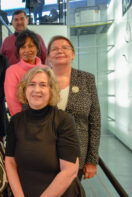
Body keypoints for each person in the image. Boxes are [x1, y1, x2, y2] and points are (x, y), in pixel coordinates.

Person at [5, 67, 85, 197]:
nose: (37, 90)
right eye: (31, 84)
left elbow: (69, 170)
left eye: (43, 85)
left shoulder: (64, 120)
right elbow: (10, 162)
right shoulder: (16, 121)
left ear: (51, 90)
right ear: (24, 89)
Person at [47, 35, 101, 180]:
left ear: (73, 54)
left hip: (77, 154)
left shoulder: (86, 79)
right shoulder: (40, 79)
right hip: (44, 153)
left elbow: (95, 121)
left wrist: (92, 160)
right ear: (48, 56)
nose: (60, 51)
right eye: (55, 49)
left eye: (65, 47)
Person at [4, 30, 45, 116]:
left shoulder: (47, 70)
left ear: (37, 48)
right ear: (18, 50)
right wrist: (21, 123)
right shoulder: (12, 71)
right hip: (23, 121)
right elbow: (13, 102)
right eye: (23, 47)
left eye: (31, 46)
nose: (27, 50)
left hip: (47, 120)